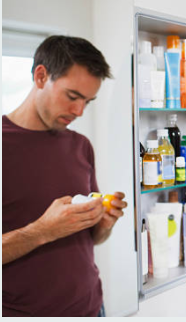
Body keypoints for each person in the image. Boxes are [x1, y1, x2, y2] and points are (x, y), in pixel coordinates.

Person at [2, 35, 128, 316]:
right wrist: (42, 231)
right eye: (72, 96)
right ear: (40, 76)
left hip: (93, 309)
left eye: (88, 101)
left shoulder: (81, 146)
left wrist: (104, 223)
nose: (79, 111)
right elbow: (48, 230)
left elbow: (90, 240)